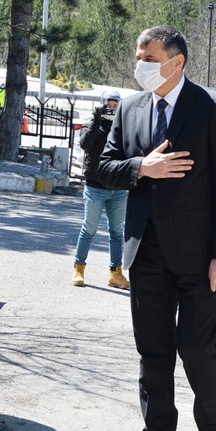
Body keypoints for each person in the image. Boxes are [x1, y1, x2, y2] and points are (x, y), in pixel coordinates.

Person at [97, 25, 216, 431]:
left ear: (176, 62)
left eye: (149, 58)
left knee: (197, 350)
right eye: (138, 57)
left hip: (199, 258)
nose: (139, 66)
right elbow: (103, 167)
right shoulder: (130, 106)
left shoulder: (212, 106)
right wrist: (143, 168)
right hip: (146, 253)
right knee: (153, 352)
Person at [72, 89, 129, 289]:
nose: (111, 109)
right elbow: (85, 144)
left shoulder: (122, 127)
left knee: (116, 232)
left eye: (115, 106)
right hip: (95, 187)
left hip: (118, 189)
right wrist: (97, 120)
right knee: (89, 230)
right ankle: (79, 269)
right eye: (108, 105)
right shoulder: (91, 124)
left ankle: (116, 273)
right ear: (101, 105)